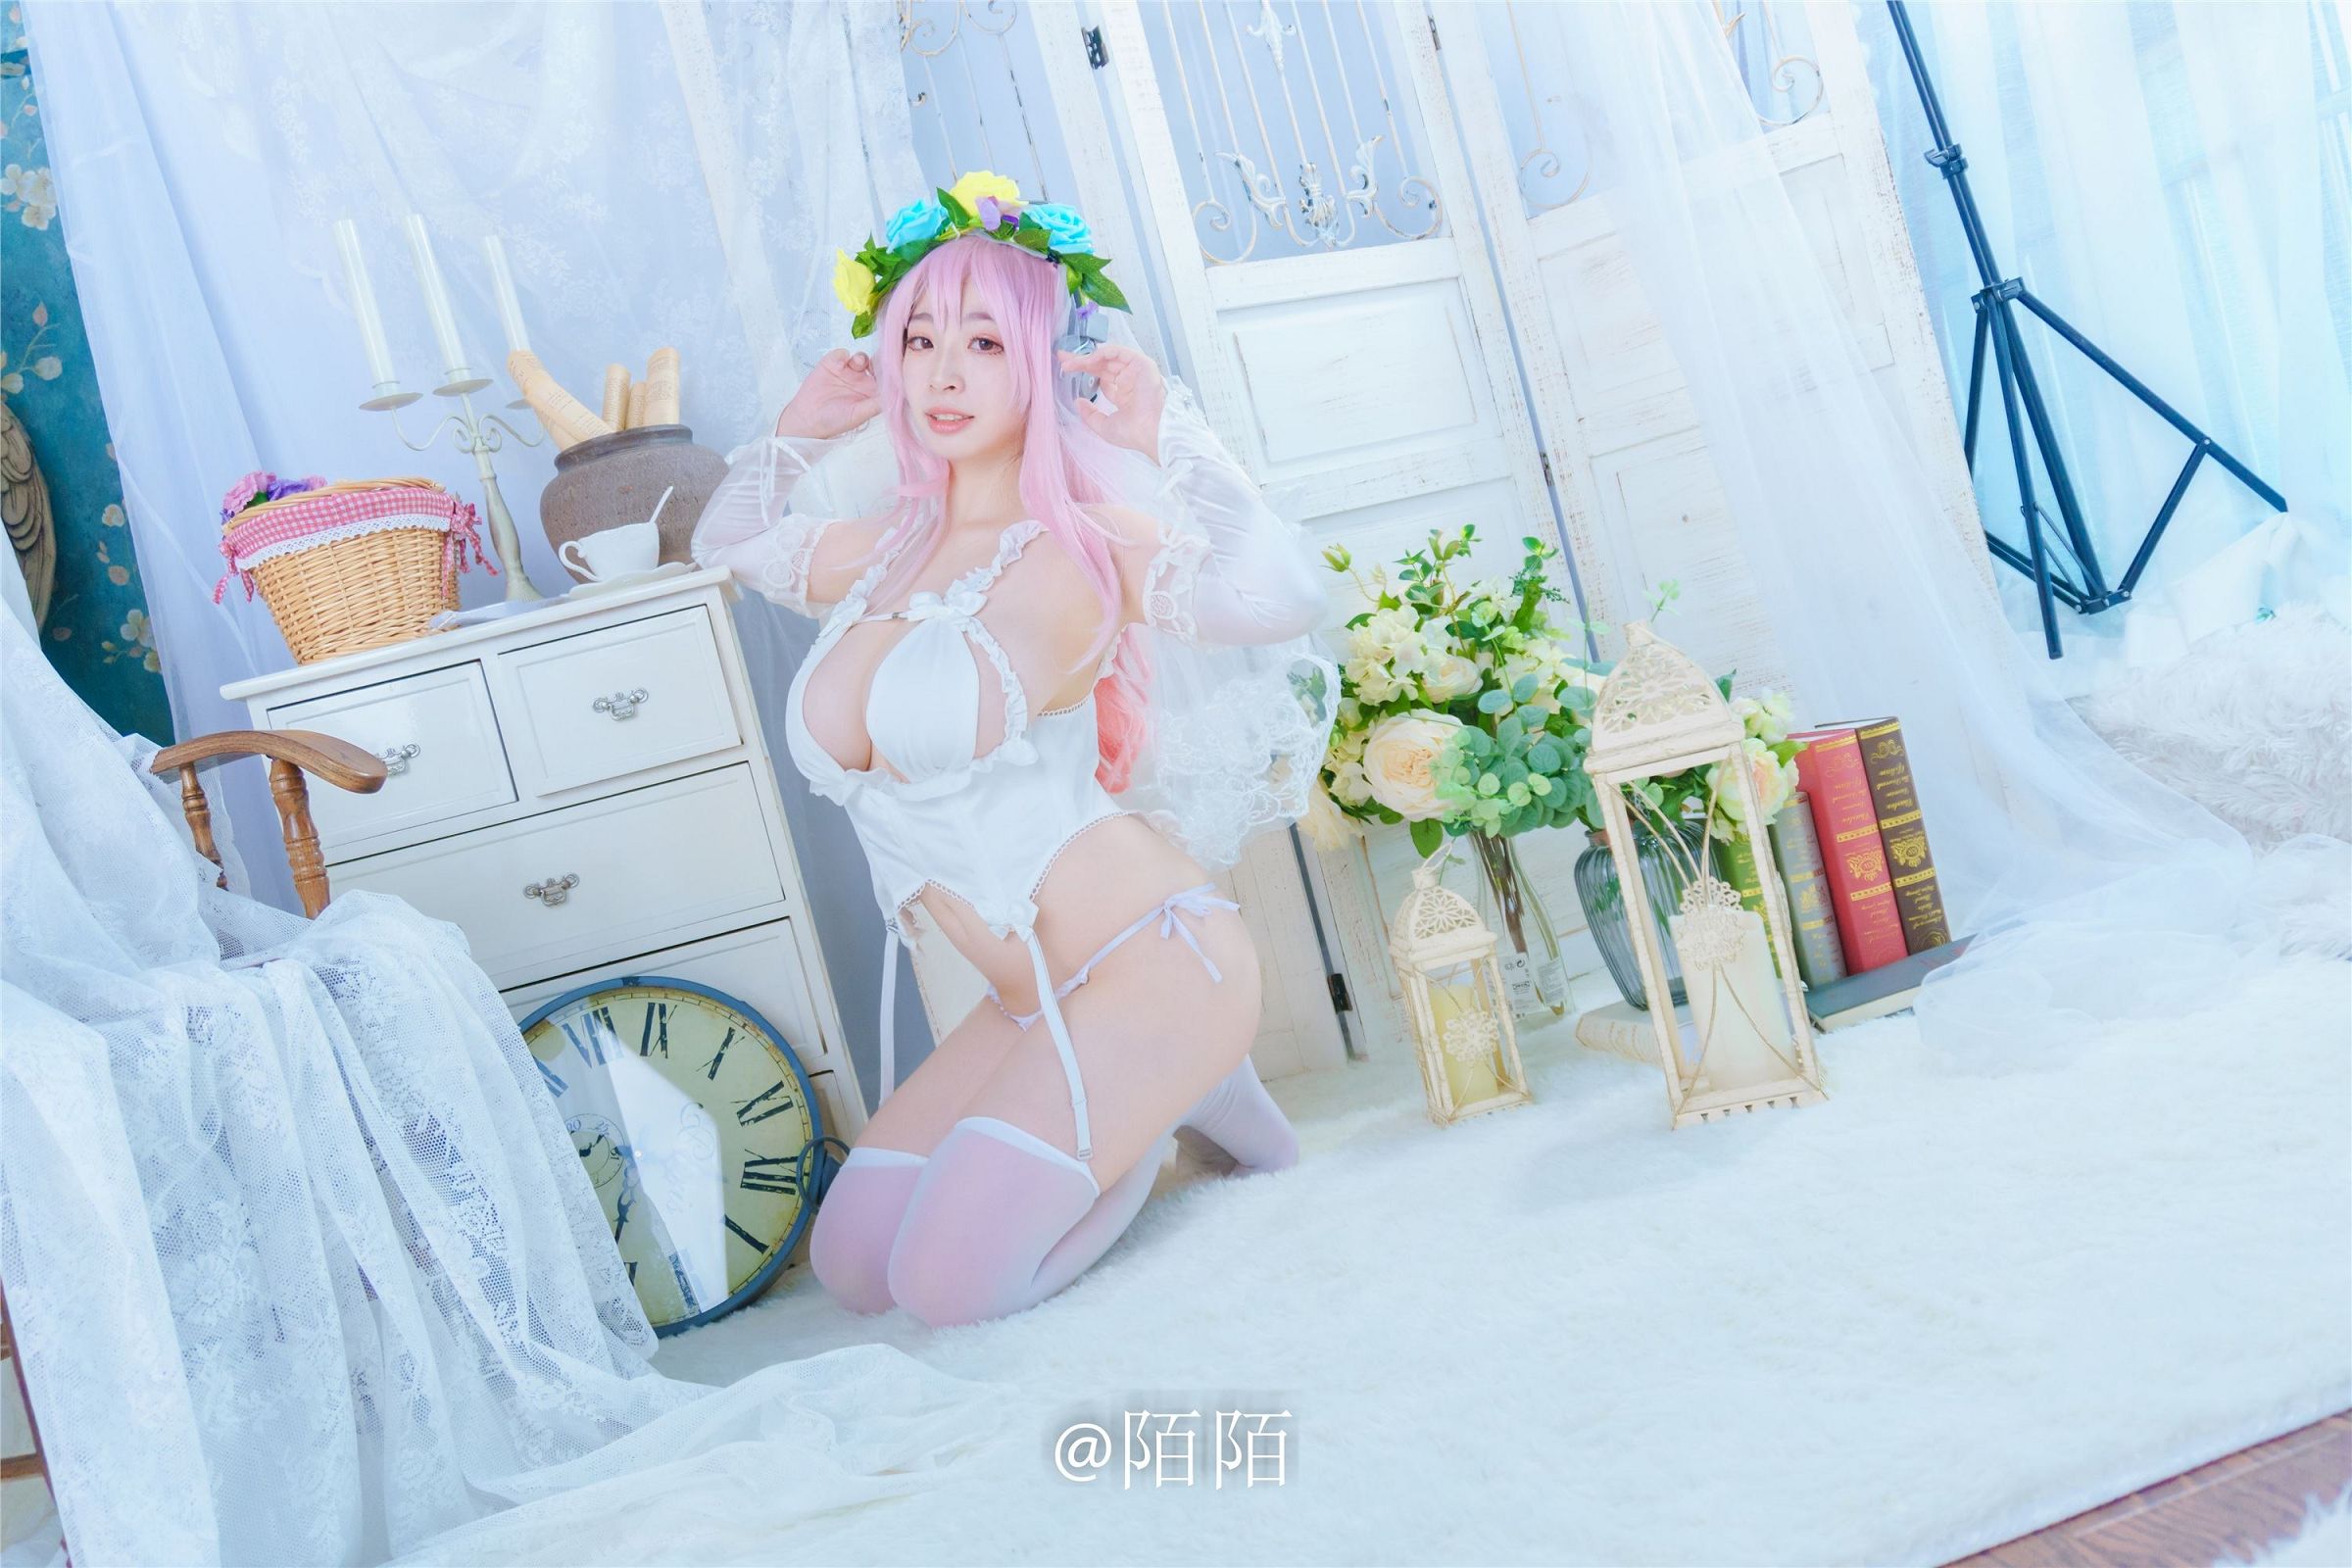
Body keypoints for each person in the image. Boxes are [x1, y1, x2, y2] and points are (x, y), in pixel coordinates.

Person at [690, 173, 1339, 1328]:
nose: (942, 375)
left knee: (948, 1285)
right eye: (919, 340)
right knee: (854, 1264)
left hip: (1154, 958)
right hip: (1027, 999)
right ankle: (1179, 1089)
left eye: (984, 342)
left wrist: (1169, 433)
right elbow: (724, 541)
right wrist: (799, 428)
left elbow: (1280, 594)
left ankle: (1178, 1079)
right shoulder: (882, 550)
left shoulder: (1088, 546)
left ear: (1042, 359)